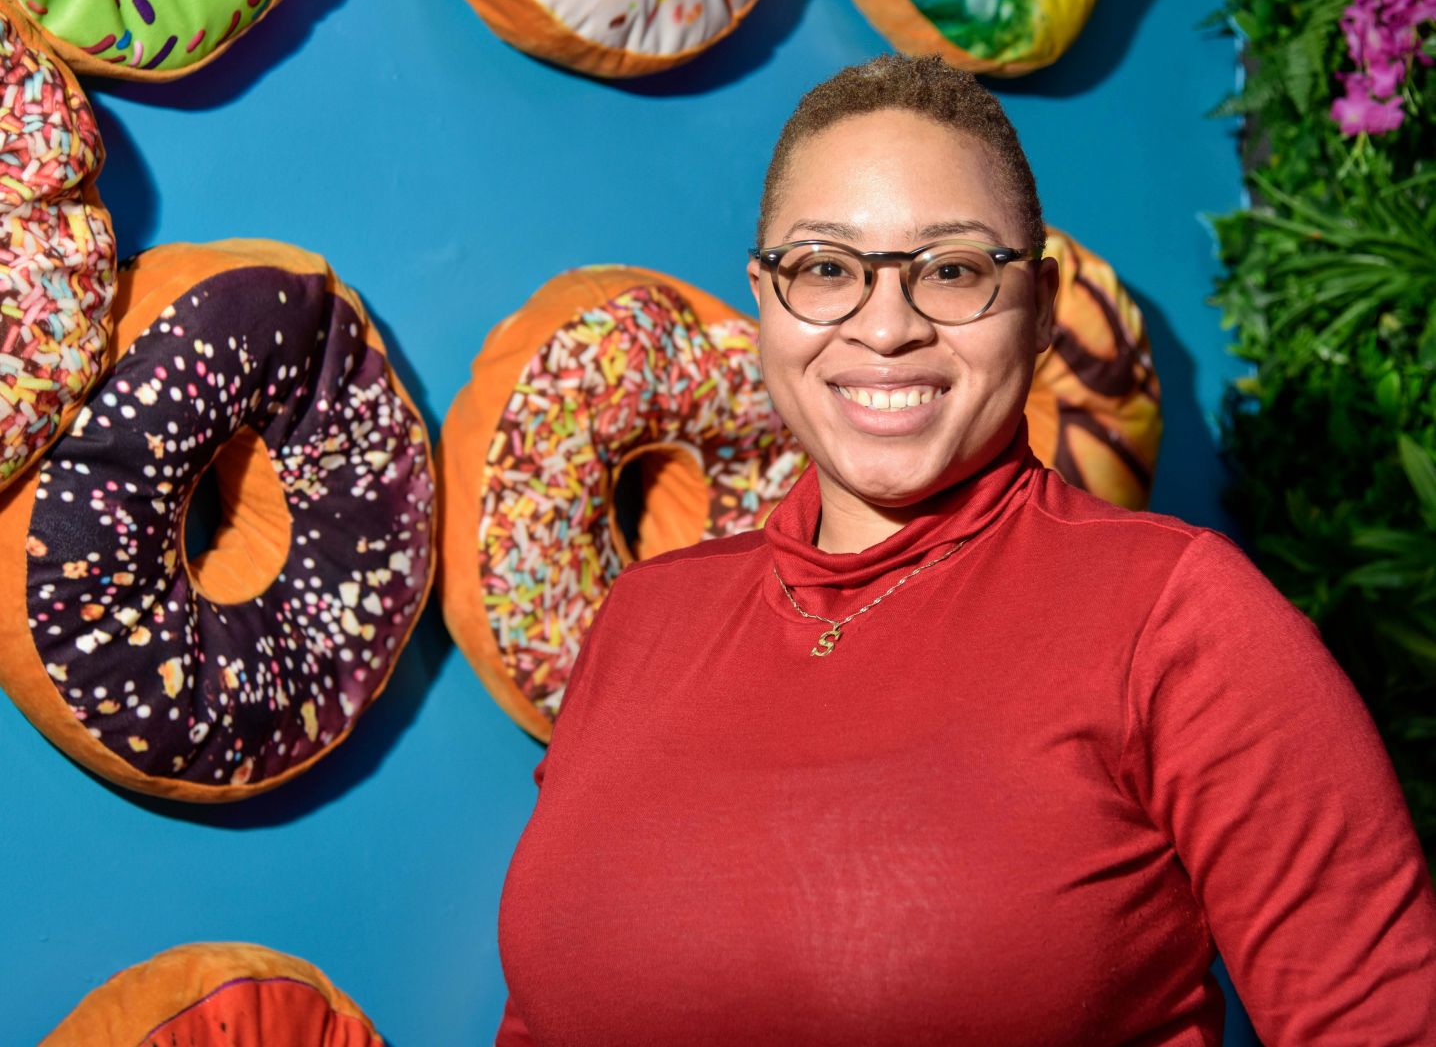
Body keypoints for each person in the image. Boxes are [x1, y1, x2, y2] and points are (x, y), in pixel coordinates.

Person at [494, 55, 1436, 1045]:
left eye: (951, 270)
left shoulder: (1178, 618)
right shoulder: (645, 618)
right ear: (764, 297)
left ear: (1039, 305)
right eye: (825, 268)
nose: (886, 327)